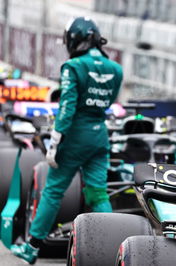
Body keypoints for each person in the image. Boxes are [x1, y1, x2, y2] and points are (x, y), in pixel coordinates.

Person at [11, 17, 123, 264]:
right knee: (98, 194)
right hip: (99, 136)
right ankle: (117, 248)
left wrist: (55, 142)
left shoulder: (72, 67)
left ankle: (32, 247)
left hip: (74, 136)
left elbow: (66, 108)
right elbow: (110, 102)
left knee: (53, 190)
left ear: (74, 39)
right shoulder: (116, 69)